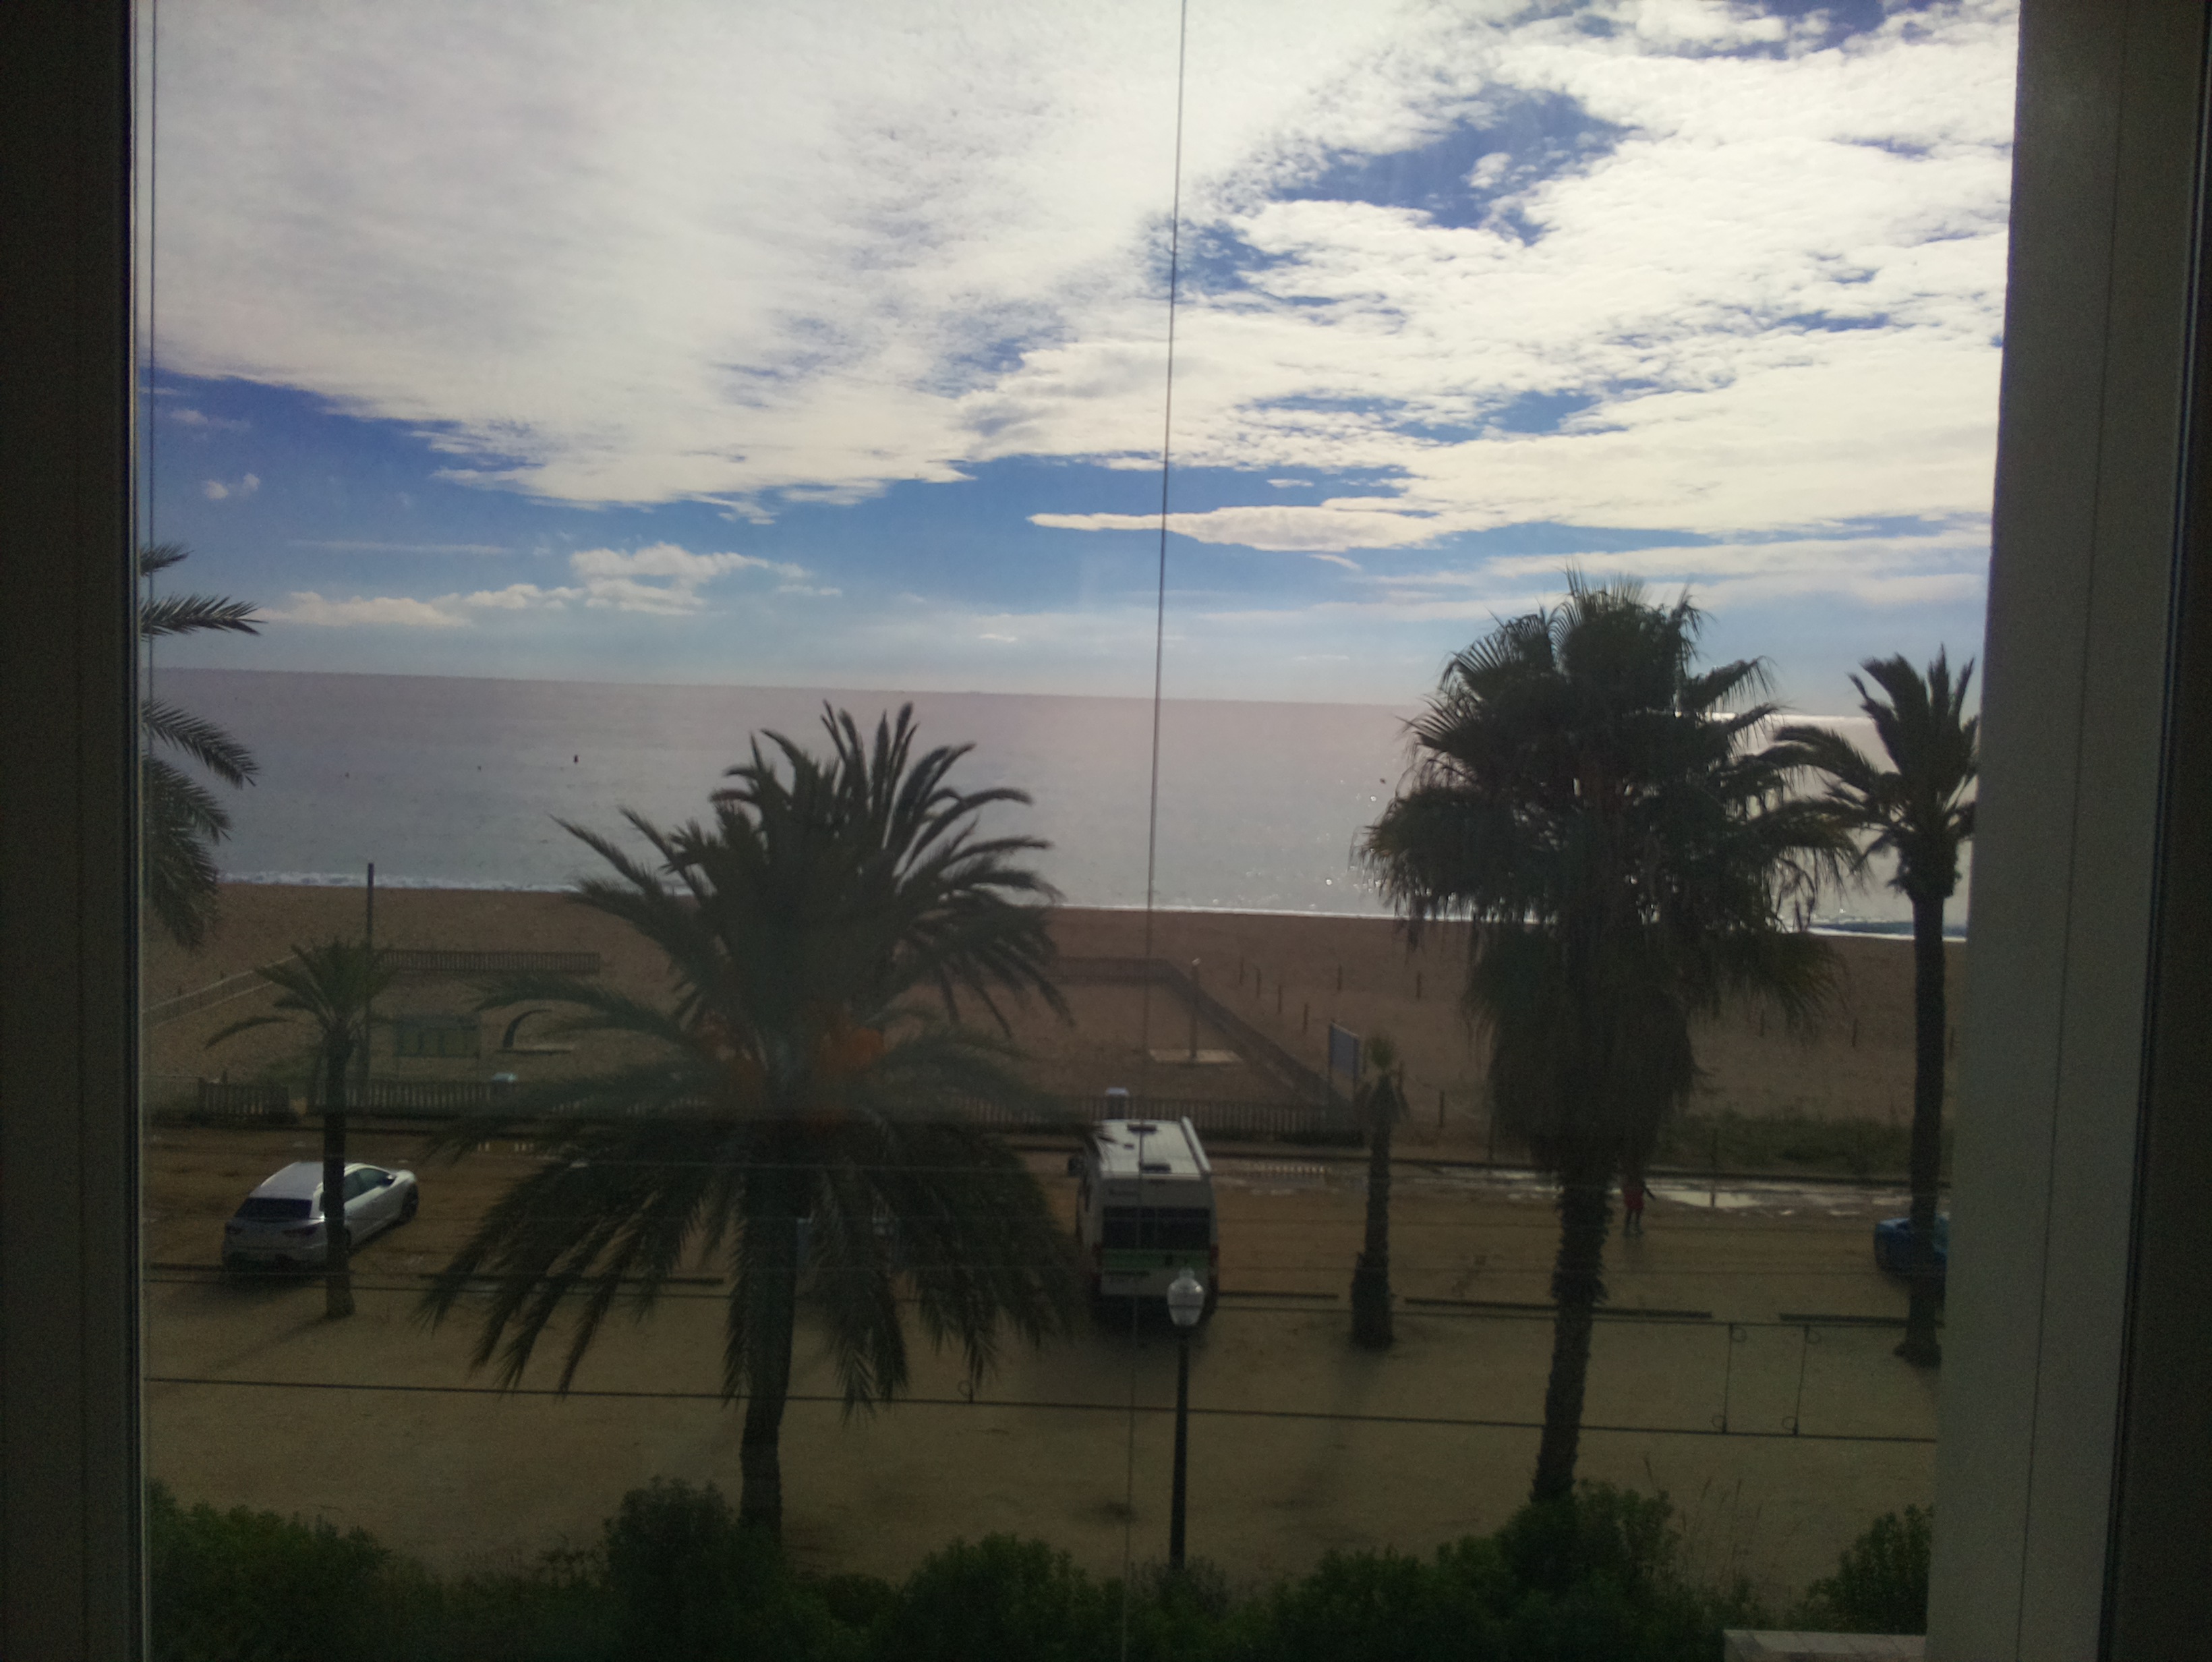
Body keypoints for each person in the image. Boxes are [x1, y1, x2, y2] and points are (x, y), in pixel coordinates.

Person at [1621, 1171, 1647, 1238]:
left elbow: (1624, 1189)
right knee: (1632, 1211)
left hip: (1634, 1197)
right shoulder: (1636, 1180)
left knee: (1632, 1211)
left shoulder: (1632, 1181)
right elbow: (1644, 1188)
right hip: (1634, 1197)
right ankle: (1632, 1227)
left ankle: (1630, 1227)